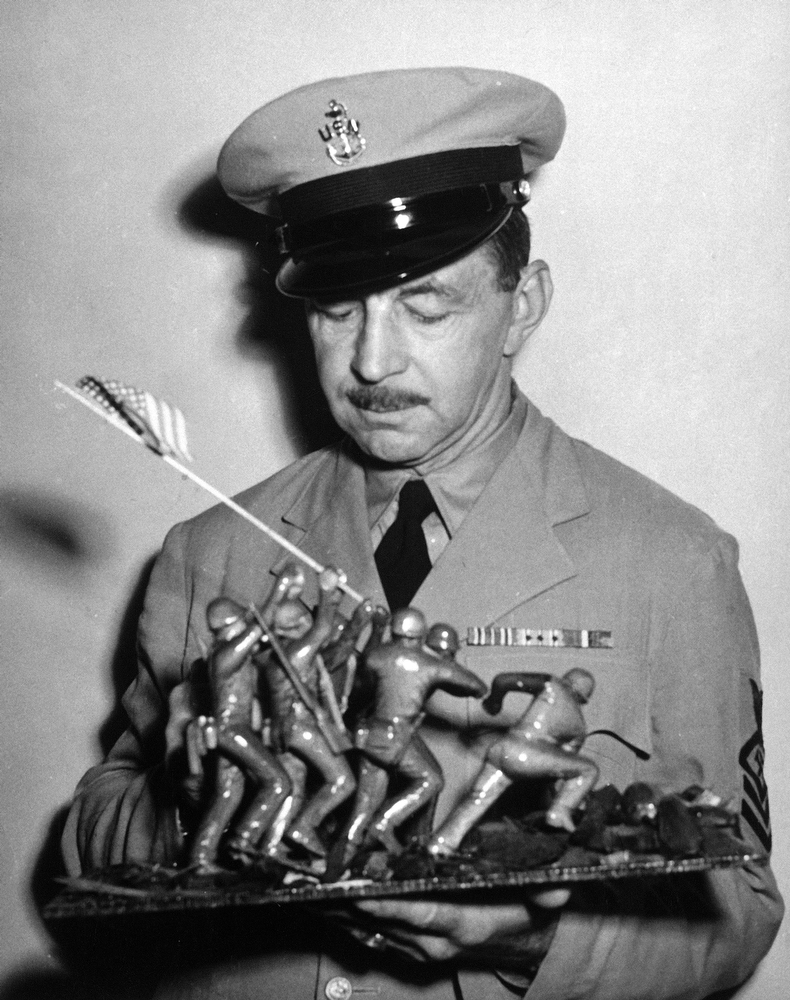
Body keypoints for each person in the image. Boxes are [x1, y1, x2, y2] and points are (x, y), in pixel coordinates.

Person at [62, 67, 782, 999]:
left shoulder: (672, 562)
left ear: (522, 305)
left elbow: (739, 906)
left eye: (426, 306)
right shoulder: (210, 552)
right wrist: (196, 800)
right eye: (337, 310)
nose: (371, 360)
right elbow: (95, 834)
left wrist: (528, 942)